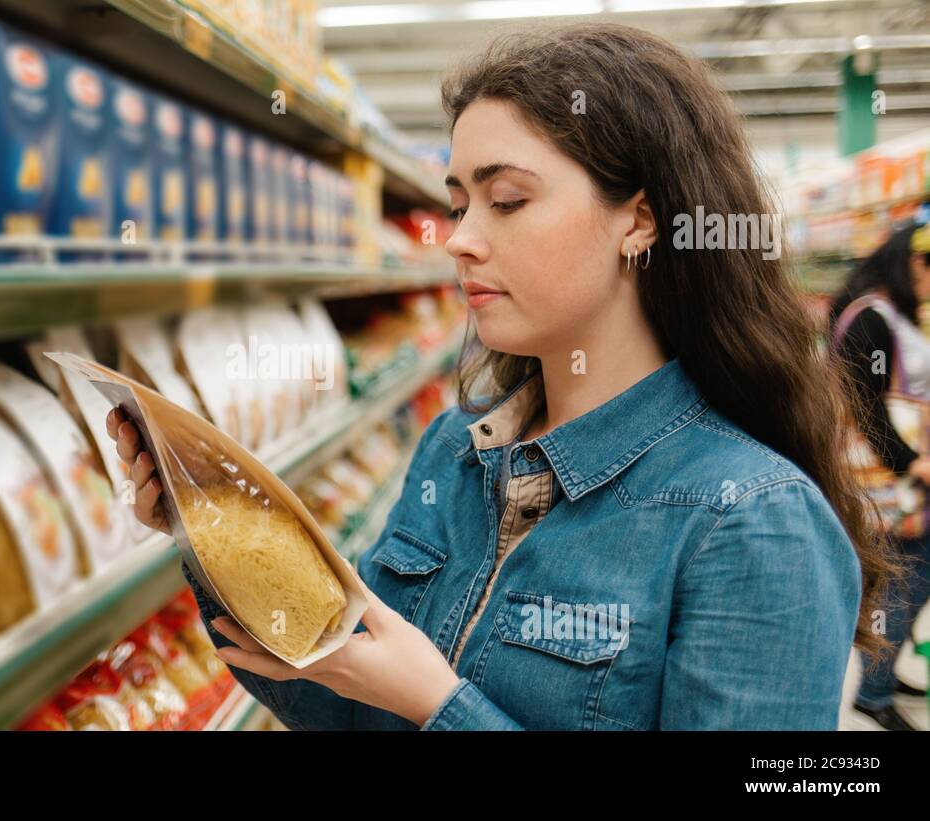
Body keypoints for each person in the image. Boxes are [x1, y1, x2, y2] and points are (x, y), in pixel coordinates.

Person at [107, 23, 891, 729]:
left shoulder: (752, 524)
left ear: (640, 221)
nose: (459, 241)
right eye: (458, 205)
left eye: (507, 201)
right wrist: (209, 525)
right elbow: (341, 700)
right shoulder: (455, 449)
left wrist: (439, 706)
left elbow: (413, 700)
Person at [830, 220, 930, 731]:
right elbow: (862, 400)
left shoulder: (877, 312)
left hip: (891, 481)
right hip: (887, 484)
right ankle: (874, 688)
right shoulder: (873, 316)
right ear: (907, 261)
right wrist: (911, 461)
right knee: (903, 579)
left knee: (900, 578)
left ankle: (882, 675)